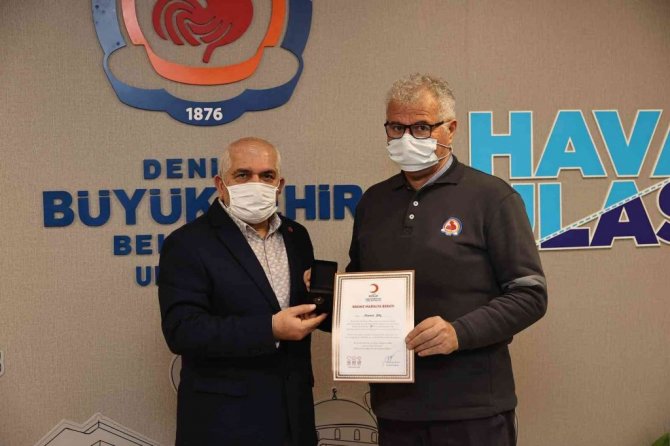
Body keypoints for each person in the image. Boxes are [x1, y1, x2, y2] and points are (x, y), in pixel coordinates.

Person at [346, 73, 548, 445]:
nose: (407, 138)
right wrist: (327, 297)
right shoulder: (372, 202)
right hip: (396, 409)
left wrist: (459, 332)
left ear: (450, 129)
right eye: (397, 127)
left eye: (422, 127)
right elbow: (360, 288)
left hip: (474, 410)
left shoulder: (492, 197)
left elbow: (529, 295)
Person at [158, 137, 327, 446]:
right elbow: (182, 331)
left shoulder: (297, 236)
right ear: (220, 185)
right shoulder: (187, 243)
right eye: (243, 174)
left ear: (279, 185)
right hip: (224, 423)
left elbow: (306, 312)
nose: (256, 183)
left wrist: (333, 296)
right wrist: (270, 328)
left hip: (294, 418)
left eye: (267, 176)